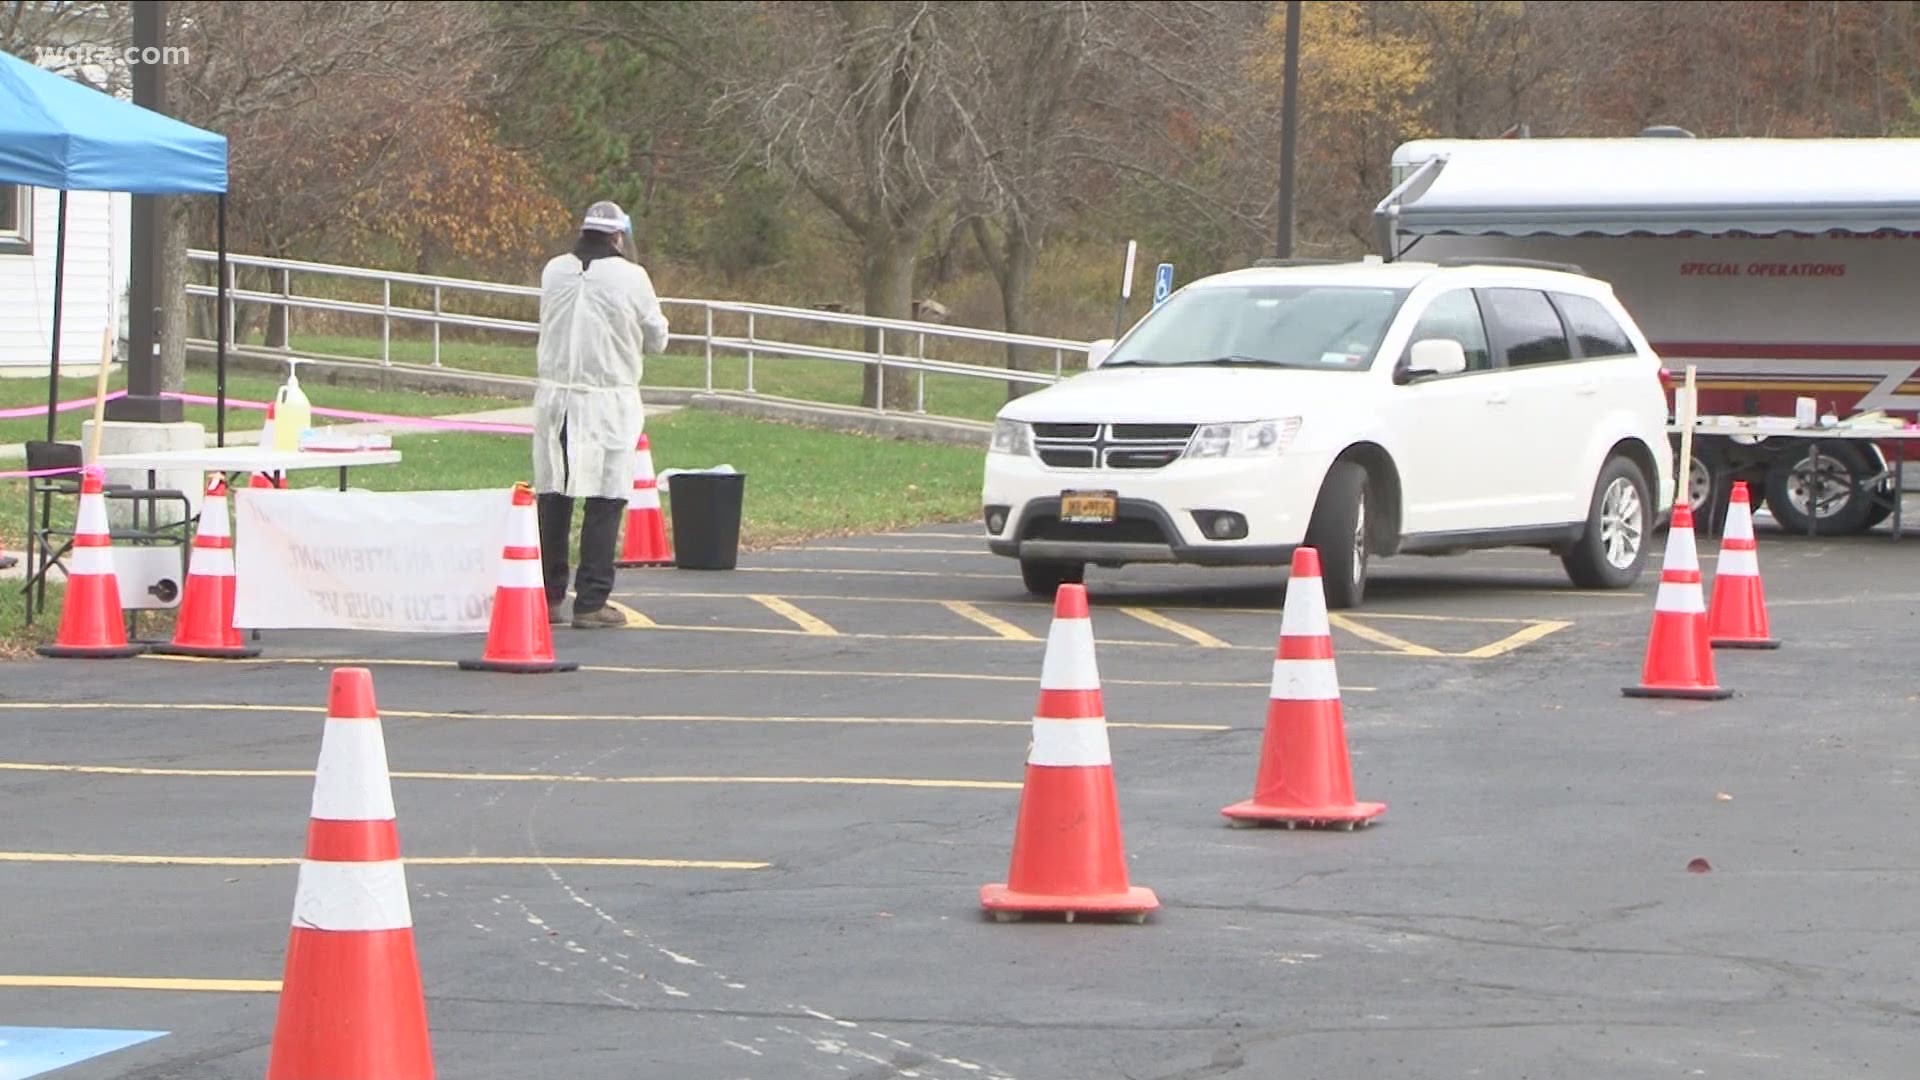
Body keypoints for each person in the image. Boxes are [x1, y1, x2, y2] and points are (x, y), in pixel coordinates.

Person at [533, 200, 670, 628]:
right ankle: (592, 599)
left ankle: (548, 593)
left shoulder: (555, 270)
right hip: (609, 399)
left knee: (554, 494)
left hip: (555, 398)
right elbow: (657, 337)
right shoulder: (633, 278)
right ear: (618, 237)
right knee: (605, 497)